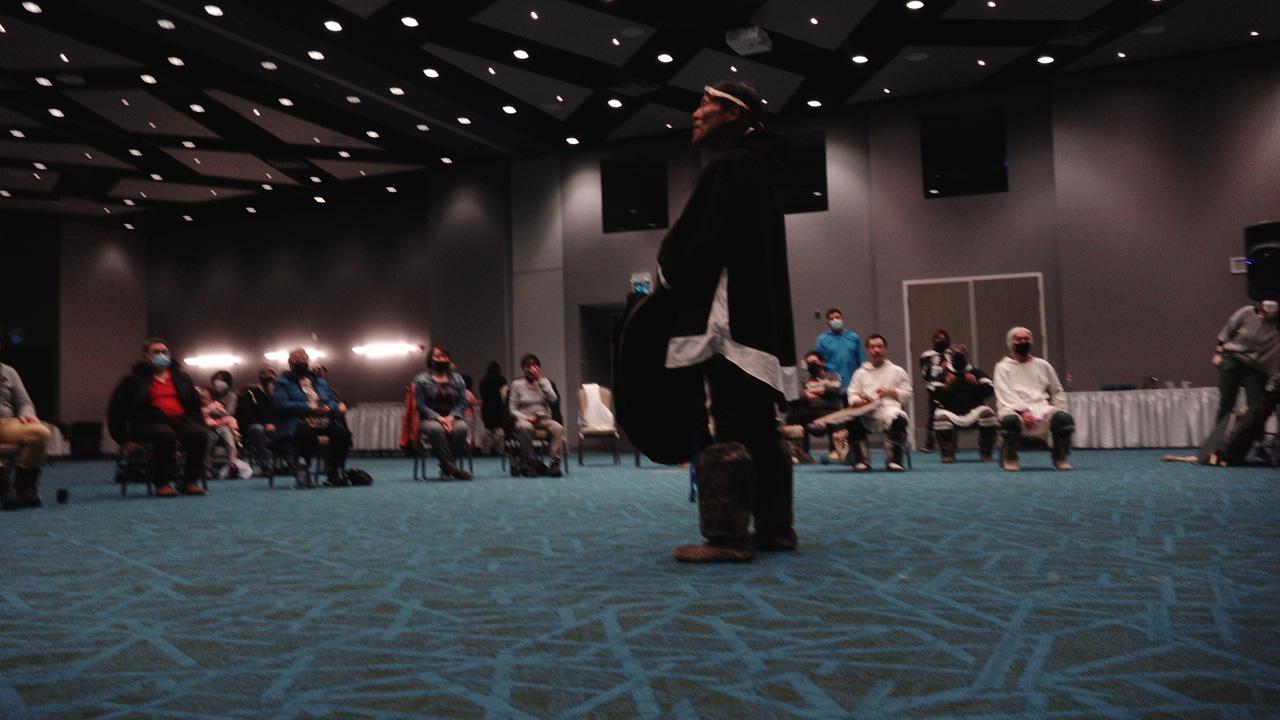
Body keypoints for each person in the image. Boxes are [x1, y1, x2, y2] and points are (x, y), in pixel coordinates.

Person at [654, 80, 798, 563]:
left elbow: (692, 245)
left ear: (734, 114)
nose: (695, 114)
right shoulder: (761, 167)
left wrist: (665, 272)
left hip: (728, 319)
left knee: (729, 421)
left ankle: (727, 537)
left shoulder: (729, 167)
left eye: (705, 104)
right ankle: (776, 528)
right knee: (760, 423)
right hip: (759, 318)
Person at [106, 338, 208, 496]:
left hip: (180, 421)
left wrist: (198, 423)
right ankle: (162, 483)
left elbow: (194, 405)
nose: (161, 355)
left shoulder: (182, 378)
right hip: (147, 423)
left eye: (164, 352)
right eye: (156, 352)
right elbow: (116, 411)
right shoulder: (132, 380)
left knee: (199, 434)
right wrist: (124, 440)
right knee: (164, 434)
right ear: (146, 356)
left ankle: (189, 482)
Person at [993, 326, 1074, 471]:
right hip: (1012, 408)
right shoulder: (1002, 367)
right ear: (1011, 343)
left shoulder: (1043, 365)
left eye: (1026, 339)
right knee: (1010, 421)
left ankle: (1060, 457)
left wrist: (1060, 408)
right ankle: (1010, 458)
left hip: (1040, 408)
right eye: (1019, 339)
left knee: (1063, 419)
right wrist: (1023, 411)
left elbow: (1057, 390)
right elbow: (1005, 393)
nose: (1023, 342)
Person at [274, 348, 351, 488]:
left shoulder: (319, 382)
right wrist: (309, 407)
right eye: (297, 360)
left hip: (322, 421)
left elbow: (332, 400)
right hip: (296, 422)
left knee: (343, 434)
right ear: (290, 363)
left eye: (304, 359)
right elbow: (281, 405)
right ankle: (304, 472)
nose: (301, 362)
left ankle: (333, 472)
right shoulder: (282, 383)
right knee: (307, 434)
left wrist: (331, 407)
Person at [842, 334, 912, 472]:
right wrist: (859, 402)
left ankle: (894, 460)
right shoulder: (860, 373)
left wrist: (890, 391)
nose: (876, 350)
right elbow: (852, 394)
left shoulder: (897, 371)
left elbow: (908, 393)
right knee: (851, 417)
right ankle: (862, 460)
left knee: (900, 419)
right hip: (866, 412)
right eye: (873, 347)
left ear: (885, 349)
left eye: (880, 347)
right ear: (867, 351)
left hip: (888, 410)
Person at [0, 342, 52, 510]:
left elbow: (24, 403)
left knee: (41, 433)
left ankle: (24, 487)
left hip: (7, 424)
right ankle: (4, 487)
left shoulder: (9, 372)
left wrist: (27, 414)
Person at [412, 345, 474, 480]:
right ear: (431, 359)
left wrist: (451, 417)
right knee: (436, 429)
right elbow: (420, 405)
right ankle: (453, 469)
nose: (441, 359)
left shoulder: (458, 379)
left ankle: (446, 469)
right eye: (437, 356)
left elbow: (464, 401)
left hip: (454, 418)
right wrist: (439, 418)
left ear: (449, 359)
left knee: (462, 428)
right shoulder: (421, 379)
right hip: (429, 419)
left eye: (444, 356)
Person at [929, 344, 998, 463]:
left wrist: (975, 384)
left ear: (966, 356)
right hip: (950, 412)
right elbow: (934, 395)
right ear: (950, 358)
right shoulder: (943, 374)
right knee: (940, 418)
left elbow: (989, 391)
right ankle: (947, 454)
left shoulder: (976, 372)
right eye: (955, 355)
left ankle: (986, 453)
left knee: (989, 415)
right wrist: (947, 386)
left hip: (973, 411)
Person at [1214, 300, 1280, 421]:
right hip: (1234, 358)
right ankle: (1221, 431)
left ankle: (1247, 429)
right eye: (1262, 313)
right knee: (1226, 403)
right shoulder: (1246, 312)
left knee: (1256, 407)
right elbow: (1228, 330)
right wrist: (1218, 353)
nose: (1263, 317)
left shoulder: (1276, 325)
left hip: (1258, 366)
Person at [815, 308, 862, 461]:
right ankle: (834, 450)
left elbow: (861, 363)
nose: (835, 320)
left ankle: (854, 449)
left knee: (852, 418)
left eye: (837, 317)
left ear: (843, 319)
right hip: (832, 387)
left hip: (852, 386)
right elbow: (819, 364)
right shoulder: (822, 340)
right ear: (828, 322)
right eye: (832, 318)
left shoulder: (854, 338)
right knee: (834, 418)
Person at [508, 353, 564, 477]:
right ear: (523, 369)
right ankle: (529, 462)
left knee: (558, 428)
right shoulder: (517, 384)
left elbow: (554, 399)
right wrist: (526, 418)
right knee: (525, 427)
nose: (531, 369)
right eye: (528, 366)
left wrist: (540, 381)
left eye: (534, 366)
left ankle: (555, 463)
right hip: (524, 418)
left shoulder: (545, 382)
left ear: (539, 368)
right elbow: (512, 409)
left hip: (543, 419)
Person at [782, 351, 842, 463]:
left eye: (814, 362)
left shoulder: (833, 376)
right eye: (809, 363)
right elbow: (799, 395)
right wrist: (822, 391)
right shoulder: (803, 379)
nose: (812, 365)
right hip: (809, 412)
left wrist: (810, 390)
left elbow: (834, 391)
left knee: (839, 417)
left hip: (829, 412)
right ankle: (801, 453)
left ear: (822, 362)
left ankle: (835, 452)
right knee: (792, 416)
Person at [236, 366, 277, 474]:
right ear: (260, 376)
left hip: (275, 426)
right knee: (258, 429)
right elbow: (248, 415)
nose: (268, 377)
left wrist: (274, 424)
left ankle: (291, 464)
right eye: (264, 374)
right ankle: (265, 467)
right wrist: (265, 424)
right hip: (254, 427)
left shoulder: (278, 394)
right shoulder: (251, 394)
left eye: (271, 374)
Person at [918, 329, 953, 452]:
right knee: (932, 415)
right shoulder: (927, 355)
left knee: (952, 413)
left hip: (951, 388)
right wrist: (939, 368)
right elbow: (925, 374)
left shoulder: (953, 354)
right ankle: (929, 443)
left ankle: (952, 442)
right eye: (938, 339)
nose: (941, 341)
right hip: (934, 388)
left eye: (944, 339)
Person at [197, 385, 240, 478]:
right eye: (201, 398)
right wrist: (209, 410)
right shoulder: (199, 409)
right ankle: (207, 469)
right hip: (209, 430)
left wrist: (234, 430)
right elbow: (201, 418)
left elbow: (227, 417)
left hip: (223, 428)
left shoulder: (217, 405)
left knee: (229, 438)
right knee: (208, 444)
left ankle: (233, 464)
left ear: (211, 397)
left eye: (205, 397)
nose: (203, 400)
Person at [477, 361, 507, 455]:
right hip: (498, 407)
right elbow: (504, 395)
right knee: (499, 430)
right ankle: (499, 449)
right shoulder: (502, 380)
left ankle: (486, 450)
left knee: (487, 430)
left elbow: (482, 394)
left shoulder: (483, 380)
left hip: (487, 407)